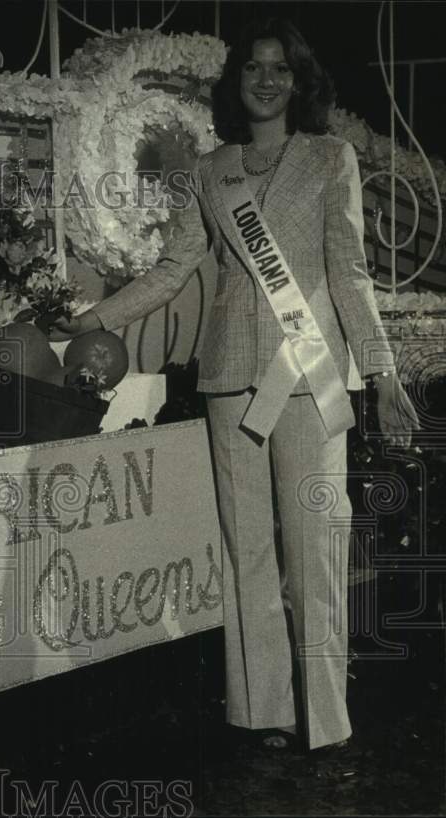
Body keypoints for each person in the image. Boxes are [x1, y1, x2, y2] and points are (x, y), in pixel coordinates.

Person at [50, 17, 419, 752]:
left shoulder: (328, 159)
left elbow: (348, 271)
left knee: (314, 546)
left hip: (309, 379)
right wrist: (92, 317)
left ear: (298, 81)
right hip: (230, 379)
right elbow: (171, 270)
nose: (265, 79)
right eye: (253, 68)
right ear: (236, 81)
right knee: (247, 549)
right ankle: (264, 712)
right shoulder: (211, 171)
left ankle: (325, 717)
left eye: (279, 68)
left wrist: (381, 373)